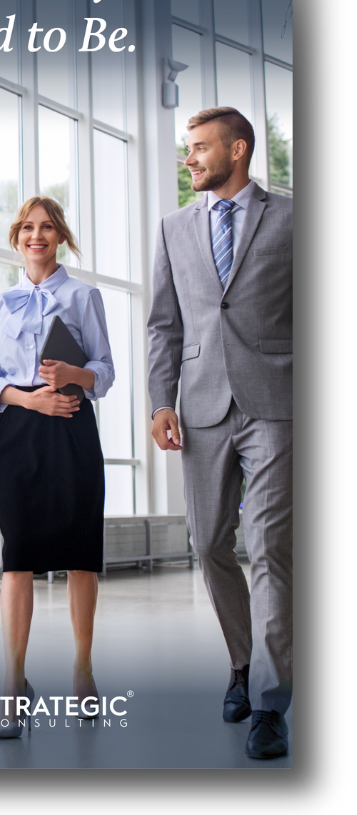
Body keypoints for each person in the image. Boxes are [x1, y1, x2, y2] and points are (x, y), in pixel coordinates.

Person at [147, 107, 292, 759]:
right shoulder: (174, 228)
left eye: (199, 148)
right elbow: (162, 324)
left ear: (237, 150)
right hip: (200, 404)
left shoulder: (288, 217)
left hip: (275, 400)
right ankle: (240, 663)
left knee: (268, 546)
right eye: (187, 149)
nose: (189, 159)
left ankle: (268, 698)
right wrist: (159, 400)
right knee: (207, 545)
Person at [0, 197, 114, 738]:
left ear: (59, 237)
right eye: (28, 228)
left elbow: (105, 371)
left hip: (74, 425)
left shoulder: (84, 295)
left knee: (80, 552)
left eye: (47, 228)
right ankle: (14, 684)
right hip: (19, 429)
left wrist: (73, 375)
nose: (37, 236)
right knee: (18, 557)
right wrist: (31, 398)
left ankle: (82, 670)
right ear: (17, 237)